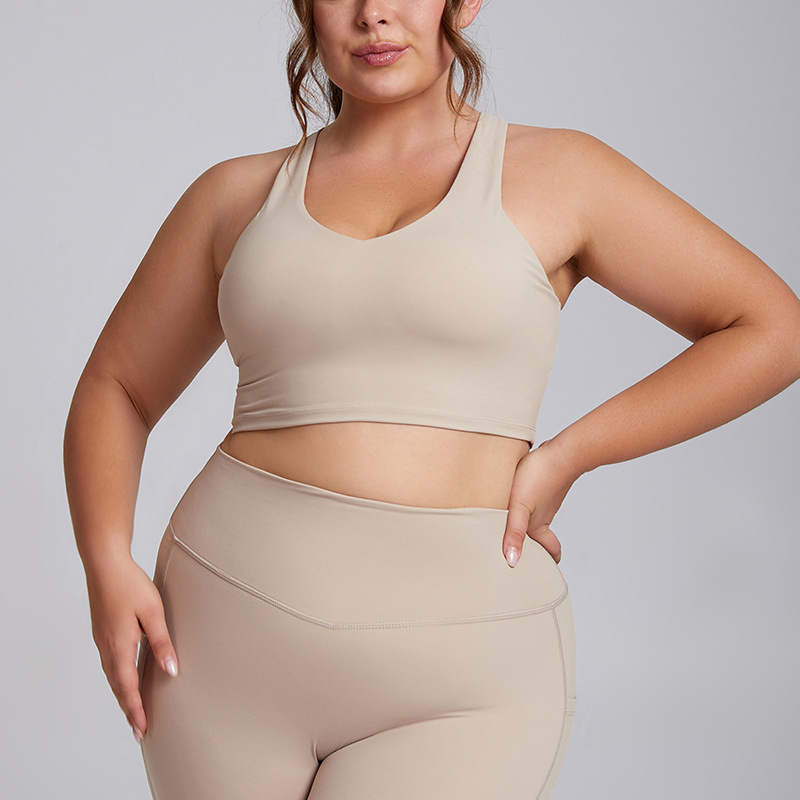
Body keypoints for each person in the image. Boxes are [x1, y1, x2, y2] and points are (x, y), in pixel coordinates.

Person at [63, 1, 800, 798]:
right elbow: (117, 385)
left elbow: (772, 328)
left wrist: (570, 455)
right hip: (220, 647)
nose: (374, 14)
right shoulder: (233, 195)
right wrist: (106, 562)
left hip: (463, 678)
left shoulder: (564, 174)